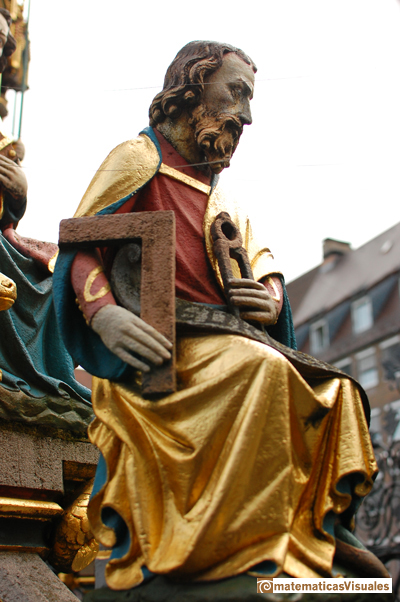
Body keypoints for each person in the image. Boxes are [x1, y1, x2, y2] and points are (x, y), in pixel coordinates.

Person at [54, 41, 378, 592]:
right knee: (264, 372)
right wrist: (104, 313)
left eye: (250, 99)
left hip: (228, 335)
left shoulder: (223, 196)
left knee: (339, 393)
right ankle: (233, 549)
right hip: (167, 341)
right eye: (237, 93)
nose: (246, 115)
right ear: (191, 87)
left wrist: (272, 298)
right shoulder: (138, 159)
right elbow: (84, 241)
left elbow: (263, 261)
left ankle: (311, 533)